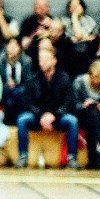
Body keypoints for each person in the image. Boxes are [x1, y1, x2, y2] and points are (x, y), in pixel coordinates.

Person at [16, 41, 77, 169]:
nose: (42, 62)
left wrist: (54, 115)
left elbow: (68, 102)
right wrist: (41, 116)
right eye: (40, 59)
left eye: (45, 59)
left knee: (72, 121)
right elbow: (29, 102)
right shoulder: (33, 79)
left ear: (54, 61)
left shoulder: (64, 78)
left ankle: (72, 157)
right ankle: (23, 156)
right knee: (22, 119)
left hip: (57, 116)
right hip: (38, 116)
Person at [73, 60, 100, 170]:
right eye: (92, 77)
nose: (94, 80)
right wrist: (84, 105)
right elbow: (75, 105)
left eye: (98, 78)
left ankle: (93, 158)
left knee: (92, 115)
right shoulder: (80, 82)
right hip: (84, 115)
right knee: (90, 112)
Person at [0, 37, 31, 124]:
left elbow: (28, 82)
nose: (12, 49)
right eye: (10, 47)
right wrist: (7, 85)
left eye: (15, 47)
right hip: (4, 90)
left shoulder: (26, 61)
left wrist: (17, 87)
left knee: (18, 95)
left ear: (19, 48)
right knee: (8, 99)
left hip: (21, 90)